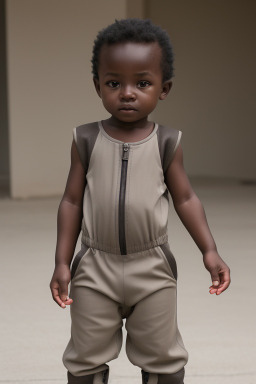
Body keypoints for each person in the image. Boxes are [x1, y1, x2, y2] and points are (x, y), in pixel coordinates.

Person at [50, 18, 231, 384]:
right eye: (114, 83)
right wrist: (62, 262)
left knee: (163, 358)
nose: (127, 92)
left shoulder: (167, 142)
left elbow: (185, 198)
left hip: (153, 268)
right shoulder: (85, 139)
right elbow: (71, 201)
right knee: (84, 358)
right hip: (94, 267)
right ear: (97, 85)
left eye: (142, 83)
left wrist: (209, 250)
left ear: (163, 89)